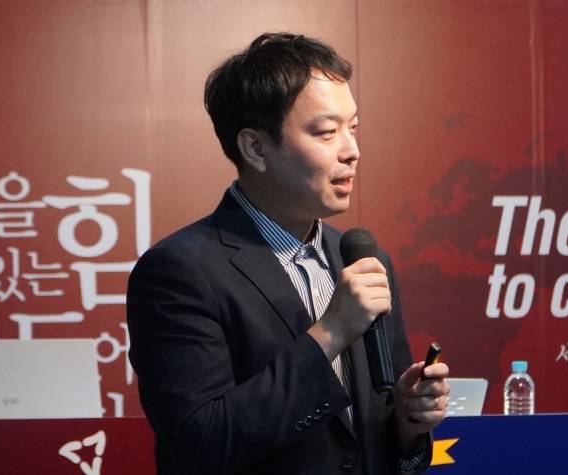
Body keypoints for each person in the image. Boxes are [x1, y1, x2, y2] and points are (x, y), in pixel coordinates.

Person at [127, 32, 450, 475]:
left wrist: (409, 423)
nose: (352, 151)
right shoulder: (179, 271)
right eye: (327, 132)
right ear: (256, 148)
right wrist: (330, 333)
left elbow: (373, 439)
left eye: (354, 128)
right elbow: (201, 443)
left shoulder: (360, 257)